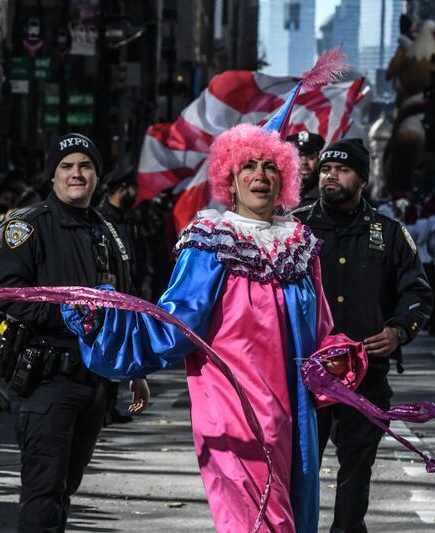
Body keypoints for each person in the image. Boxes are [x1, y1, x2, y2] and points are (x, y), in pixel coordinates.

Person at [62, 123, 361, 532]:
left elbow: (321, 327)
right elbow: (175, 323)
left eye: (270, 167)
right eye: (248, 166)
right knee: (258, 519)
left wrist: (339, 358)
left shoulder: (299, 245)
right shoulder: (211, 243)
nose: (260, 175)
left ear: (285, 179)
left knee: (292, 511)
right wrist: (107, 319)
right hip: (233, 408)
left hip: (294, 414)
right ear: (231, 180)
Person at [0, 133, 150, 533]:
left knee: (65, 487)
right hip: (45, 379)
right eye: (67, 166)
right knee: (43, 491)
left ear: (96, 176)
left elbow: (123, 304)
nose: (77, 173)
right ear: (52, 176)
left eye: (86, 166)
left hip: (93, 383)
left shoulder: (107, 232)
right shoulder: (27, 226)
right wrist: (69, 315)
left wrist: (134, 369)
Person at [293, 138, 433, 532]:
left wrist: (398, 330)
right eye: (325, 169)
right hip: (307, 373)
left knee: (357, 466)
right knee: (301, 466)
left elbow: (418, 293)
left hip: (366, 374)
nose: (330, 176)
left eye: (342, 170)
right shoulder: (294, 227)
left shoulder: (388, 232)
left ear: (362, 180)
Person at [97, 164, 151, 425]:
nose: (137, 193)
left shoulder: (131, 218)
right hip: (109, 295)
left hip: (130, 292)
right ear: (122, 189)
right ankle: (102, 408)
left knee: (124, 347)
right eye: (133, 188)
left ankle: (110, 406)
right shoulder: (99, 218)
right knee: (107, 347)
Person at [286, 130, 325, 207]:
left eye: (311, 157)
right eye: (298, 156)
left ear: (319, 159)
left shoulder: (328, 194)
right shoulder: (277, 192)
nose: (304, 162)